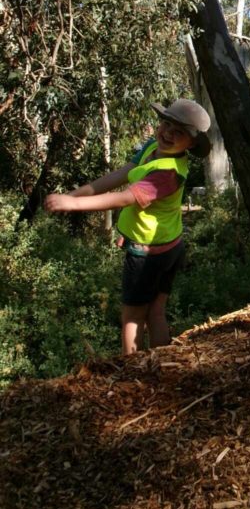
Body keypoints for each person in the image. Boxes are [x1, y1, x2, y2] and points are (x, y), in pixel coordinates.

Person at [43, 99, 211, 355]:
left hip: (150, 255)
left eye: (179, 132)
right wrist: (74, 194)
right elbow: (121, 174)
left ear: (191, 144)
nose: (168, 133)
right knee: (155, 310)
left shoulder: (168, 173)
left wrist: (74, 205)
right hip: (170, 246)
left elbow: (126, 197)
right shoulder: (153, 148)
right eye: (166, 124)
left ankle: (132, 373)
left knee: (132, 317)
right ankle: (162, 367)